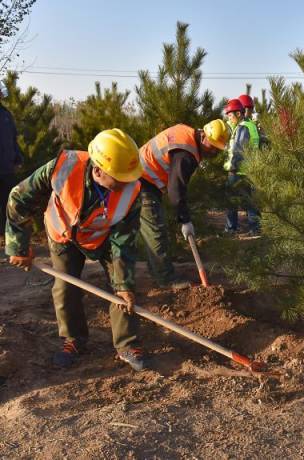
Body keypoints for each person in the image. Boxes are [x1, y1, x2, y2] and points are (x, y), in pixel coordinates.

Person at [5, 129, 150, 371]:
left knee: (122, 291)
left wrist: (123, 283)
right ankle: (73, 339)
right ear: (98, 171)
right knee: (65, 287)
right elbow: (19, 198)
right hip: (62, 232)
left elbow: (124, 240)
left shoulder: (131, 190)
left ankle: (126, 344)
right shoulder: (63, 166)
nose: (128, 181)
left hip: (103, 238)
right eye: (121, 176)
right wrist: (18, 245)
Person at [138, 120, 229, 288]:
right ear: (203, 136)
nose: (214, 151)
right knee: (156, 230)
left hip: (143, 178)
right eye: (212, 146)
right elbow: (176, 189)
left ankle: (156, 270)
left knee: (154, 229)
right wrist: (185, 220)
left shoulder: (187, 133)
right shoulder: (186, 154)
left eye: (218, 148)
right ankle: (166, 279)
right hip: (141, 181)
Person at [223, 99, 260, 235]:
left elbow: (239, 150)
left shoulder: (242, 127)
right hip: (248, 169)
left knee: (232, 201)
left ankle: (231, 229)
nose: (228, 118)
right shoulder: (249, 125)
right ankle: (254, 229)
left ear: (238, 113)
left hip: (238, 170)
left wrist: (232, 168)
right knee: (249, 201)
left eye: (230, 115)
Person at [0, 80, 24, 248]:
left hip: (6, 168)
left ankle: (7, 236)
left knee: (8, 203)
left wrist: (18, 157)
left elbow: (12, 140)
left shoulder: (6, 114)